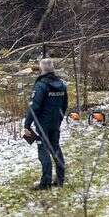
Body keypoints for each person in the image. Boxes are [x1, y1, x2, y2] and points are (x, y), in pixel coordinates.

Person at [23, 59, 68, 190]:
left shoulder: (41, 86)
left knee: (43, 152)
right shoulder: (62, 85)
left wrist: (27, 125)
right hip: (55, 123)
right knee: (56, 149)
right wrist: (59, 119)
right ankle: (60, 180)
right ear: (52, 69)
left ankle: (45, 183)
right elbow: (64, 105)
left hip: (42, 124)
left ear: (41, 69)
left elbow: (34, 107)